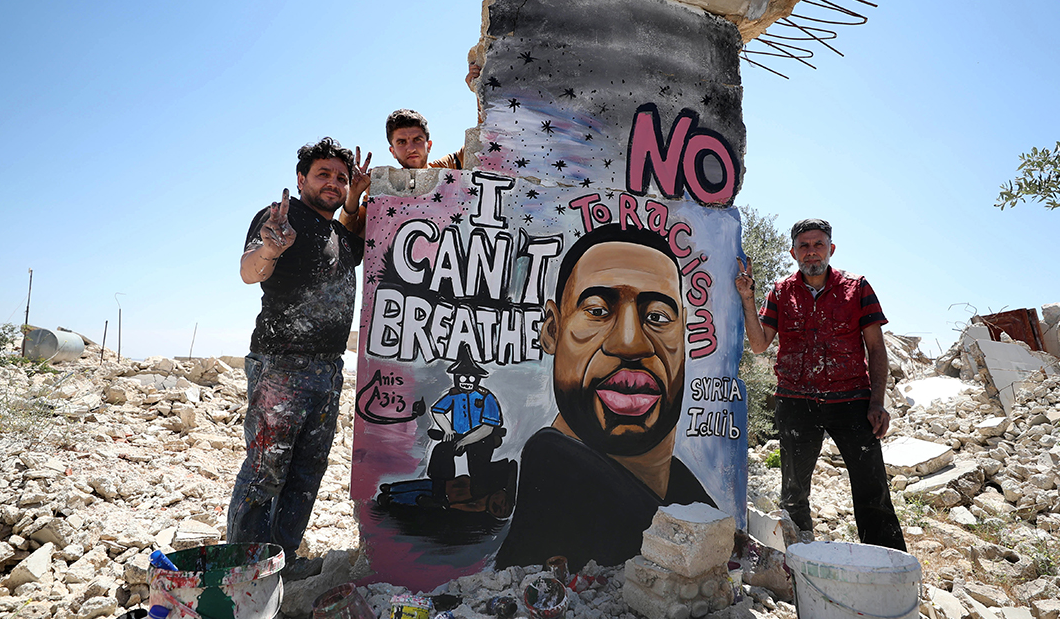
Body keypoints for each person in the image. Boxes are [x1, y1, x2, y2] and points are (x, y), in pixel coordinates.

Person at [495, 224, 716, 568]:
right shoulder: (558, 471)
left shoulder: (683, 495)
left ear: (683, 336)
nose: (630, 343)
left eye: (658, 317)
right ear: (552, 331)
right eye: (597, 311)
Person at [228, 137, 369, 580]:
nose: (333, 182)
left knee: (307, 471)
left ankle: (282, 562)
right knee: (266, 469)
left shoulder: (340, 237)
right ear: (301, 179)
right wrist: (270, 247)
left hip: (328, 369)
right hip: (281, 366)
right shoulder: (282, 220)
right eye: (323, 174)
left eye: (341, 178)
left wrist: (357, 198)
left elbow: (355, 232)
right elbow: (249, 272)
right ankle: (245, 569)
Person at [737, 218, 906, 551]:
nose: (811, 252)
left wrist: (877, 402)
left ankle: (888, 561)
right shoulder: (781, 291)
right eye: (804, 246)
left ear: (830, 248)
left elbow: (876, 349)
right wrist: (747, 298)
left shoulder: (857, 288)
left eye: (817, 245)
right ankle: (801, 559)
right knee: (794, 491)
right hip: (796, 401)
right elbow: (759, 344)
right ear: (793, 252)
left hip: (851, 401)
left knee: (872, 489)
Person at [341, 108, 465, 236]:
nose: (411, 148)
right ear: (393, 151)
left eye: (417, 139)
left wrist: (481, 93)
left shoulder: (450, 167)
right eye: (401, 142)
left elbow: (484, 139)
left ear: (429, 145)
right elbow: (348, 240)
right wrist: (353, 195)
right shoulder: (382, 188)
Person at [427, 347, 506, 502]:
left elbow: (488, 427)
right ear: (457, 378)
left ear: (477, 379)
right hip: (457, 434)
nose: (467, 382)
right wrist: (447, 429)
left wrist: (465, 441)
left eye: (471, 378)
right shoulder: (454, 394)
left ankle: (480, 495)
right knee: (441, 451)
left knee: (478, 461)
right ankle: (439, 496)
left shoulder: (486, 397)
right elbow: (437, 410)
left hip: (481, 436)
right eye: (463, 378)